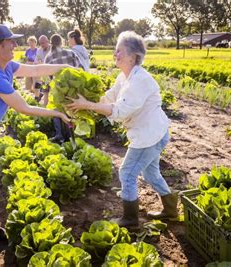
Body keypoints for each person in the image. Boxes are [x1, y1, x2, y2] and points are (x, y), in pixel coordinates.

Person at [0, 24, 70, 241]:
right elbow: (24, 108)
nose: (15, 44)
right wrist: (57, 113)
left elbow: (35, 70)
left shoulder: (5, 66)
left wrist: (66, 67)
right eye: (10, 41)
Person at [67, 31, 177, 227]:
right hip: (151, 132)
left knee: (126, 173)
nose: (114, 54)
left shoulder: (139, 80)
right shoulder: (124, 77)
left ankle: (130, 219)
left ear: (133, 57)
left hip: (149, 135)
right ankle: (171, 210)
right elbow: (109, 98)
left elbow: (118, 111)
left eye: (119, 51)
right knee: (151, 174)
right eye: (115, 50)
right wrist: (85, 100)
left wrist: (88, 106)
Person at [45, 34, 82, 143]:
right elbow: (80, 70)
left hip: (57, 90)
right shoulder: (70, 53)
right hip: (72, 88)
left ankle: (59, 136)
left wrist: (46, 92)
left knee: (57, 111)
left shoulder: (49, 57)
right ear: (62, 42)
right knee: (71, 111)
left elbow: (47, 78)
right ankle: (72, 138)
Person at [33, 35, 51, 104]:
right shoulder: (39, 50)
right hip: (44, 72)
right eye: (40, 43)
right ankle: (39, 95)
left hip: (52, 71)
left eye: (43, 43)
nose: (41, 45)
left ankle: (41, 94)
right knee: (45, 89)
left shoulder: (52, 48)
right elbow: (36, 61)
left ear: (47, 41)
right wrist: (37, 63)